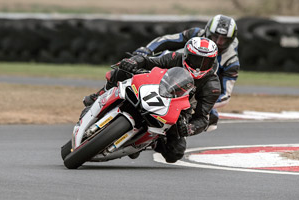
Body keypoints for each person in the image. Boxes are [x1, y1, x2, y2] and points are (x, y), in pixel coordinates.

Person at [83, 37, 221, 163]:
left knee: (174, 153)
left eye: (205, 61)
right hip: (155, 89)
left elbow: (202, 118)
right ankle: (99, 96)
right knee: (122, 71)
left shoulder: (212, 86)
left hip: (180, 110)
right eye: (196, 59)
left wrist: (190, 128)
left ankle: (153, 141)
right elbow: (149, 61)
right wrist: (134, 61)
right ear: (186, 55)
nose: (199, 66)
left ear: (213, 61)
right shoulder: (174, 58)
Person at [133, 14, 240, 131]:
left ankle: (167, 133)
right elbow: (168, 40)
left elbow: (225, 96)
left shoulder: (231, 62)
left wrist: (201, 100)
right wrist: (147, 50)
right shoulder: (195, 34)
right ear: (207, 32)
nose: (218, 43)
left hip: (193, 89)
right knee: (138, 63)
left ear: (230, 40)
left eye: (223, 40)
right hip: (173, 66)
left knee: (211, 119)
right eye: (215, 37)